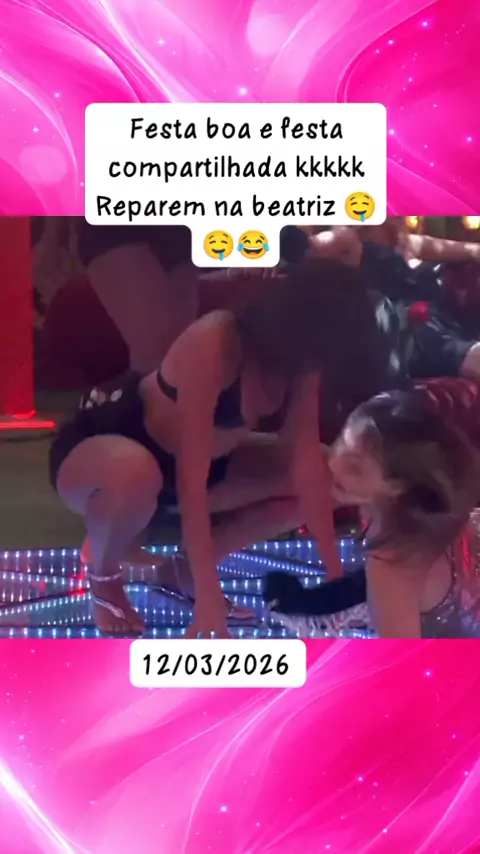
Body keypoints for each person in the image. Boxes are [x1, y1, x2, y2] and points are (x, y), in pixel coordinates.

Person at [49, 258, 390, 637]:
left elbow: (306, 467)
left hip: (203, 472)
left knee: (332, 475)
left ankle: (183, 571)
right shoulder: (217, 340)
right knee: (134, 475)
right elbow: (190, 482)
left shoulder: (303, 363)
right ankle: (103, 574)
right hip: (113, 451)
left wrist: (334, 581)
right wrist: (209, 595)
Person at [265, 377, 480, 637]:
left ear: (398, 487)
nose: (334, 463)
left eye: (355, 467)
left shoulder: (391, 568)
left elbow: (401, 659)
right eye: (341, 442)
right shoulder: (442, 511)